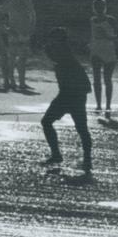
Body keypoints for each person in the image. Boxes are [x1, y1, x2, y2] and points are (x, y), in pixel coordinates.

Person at [40, 27, 93, 175]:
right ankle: (86, 159)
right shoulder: (63, 52)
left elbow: (52, 55)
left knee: (48, 122)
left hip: (70, 96)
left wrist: (46, 48)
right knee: (81, 129)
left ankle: (59, 155)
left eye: (53, 39)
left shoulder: (62, 53)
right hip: (71, 95)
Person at [2, 0, 37, 93]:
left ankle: (22, 82)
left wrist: (31, 28)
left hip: (25, 33)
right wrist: (7, 29)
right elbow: (1, 16)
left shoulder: (27, 1)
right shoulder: (9, 1)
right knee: (12, 58)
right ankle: (11, 81)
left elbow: (33, 16)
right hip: (13, 33)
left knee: (22, 58)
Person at [87, 0, 118, 116]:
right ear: (94, 8)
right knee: (98, 80)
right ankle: (100, 105)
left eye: (101, 7)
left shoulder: (110, 20)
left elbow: (117, 35)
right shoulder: (92, 20)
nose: (99, 9)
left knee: (105, 79)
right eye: (97, 7)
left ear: (105, 7)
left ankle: (107, 105)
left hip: (108, 50)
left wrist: (107, 36)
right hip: (97, 50)